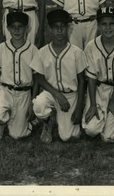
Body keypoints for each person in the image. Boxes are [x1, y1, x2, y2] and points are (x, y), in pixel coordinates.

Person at [30, 9, 87, 143]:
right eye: (56, 27)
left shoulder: (76, 52)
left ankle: (62, 118)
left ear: (68, 28)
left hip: (71, 95)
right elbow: (39, 77)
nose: (59, 31)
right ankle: (48, 121)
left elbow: (81, 81)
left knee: (68, 137)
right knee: (39, 104)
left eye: (63, 27)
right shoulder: (43, 52)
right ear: (50, 29)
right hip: (51, 93)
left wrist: (79, 108)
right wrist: (57, 95)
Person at [82, 7, 114, 142]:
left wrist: (112, 101)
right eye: (104, 24)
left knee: (111, 137)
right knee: (91, 130)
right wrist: (93, 105)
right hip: (98, 90)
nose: (108, 28)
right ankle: (96, 112)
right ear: (98, 26)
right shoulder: (91, 46)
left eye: (112, 24)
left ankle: (113, 120)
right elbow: (91, 79)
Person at [0, 12, 39, 142]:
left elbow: (37, 79)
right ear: (8, 28)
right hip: (5, 91)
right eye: (13, 27)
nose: (16, 30)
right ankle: (1, 124)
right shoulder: (1, 48)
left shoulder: (33, 50)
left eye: (20, 26)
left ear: (27, 28)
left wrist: (32, 102)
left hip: (24, 93)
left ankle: (25, 121)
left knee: (18, 135)